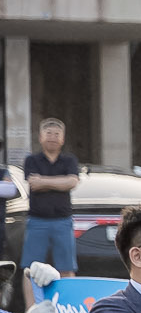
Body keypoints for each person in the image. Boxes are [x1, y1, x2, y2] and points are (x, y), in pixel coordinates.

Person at [20, 119, 83, 281]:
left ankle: (66, 306)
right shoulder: (31, 160)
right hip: (36, 221)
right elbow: (34, 184)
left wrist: (44, 181)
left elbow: (72, 182)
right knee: (30, 269)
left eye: (57, 134)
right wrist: (61, 182)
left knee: (66, 269)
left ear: (62, 139)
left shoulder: (70, 160)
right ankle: (31, 306)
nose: (52, 137)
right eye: (48, 133)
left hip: (63, 221)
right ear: (40, 137)